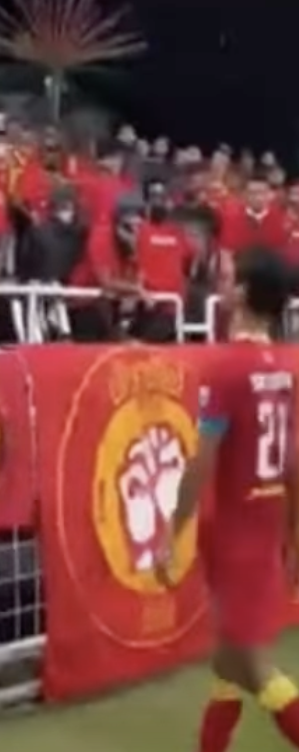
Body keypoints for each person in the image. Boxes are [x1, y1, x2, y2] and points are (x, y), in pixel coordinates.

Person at [156, 245, 299, 752]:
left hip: (234, 532)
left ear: (241, 293)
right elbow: (293, 461)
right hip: (263, 523)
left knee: (251, 665)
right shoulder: (285, 367)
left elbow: (201, 460)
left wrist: (172, 530)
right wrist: (293, 535)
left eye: (229, 274)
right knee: (226, 661)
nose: (221, 280)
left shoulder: (226, 369)